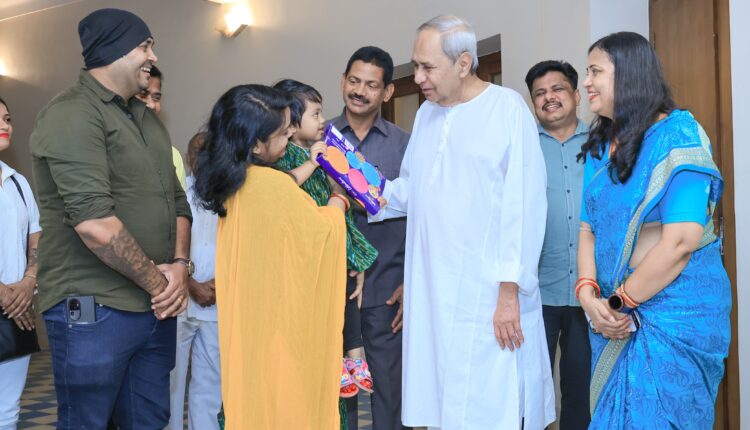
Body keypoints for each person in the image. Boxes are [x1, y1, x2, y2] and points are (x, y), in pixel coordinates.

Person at [371, 16, 555, 429]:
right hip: (433, 289)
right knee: (441, 398)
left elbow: (524, 205)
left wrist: (510, 290)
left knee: (489, 404)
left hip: (487, 293)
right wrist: (365, 189)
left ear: (463, 62)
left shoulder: (506, 109)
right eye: (415, 66)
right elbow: (412, 189)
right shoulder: (426, 117)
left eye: (427, 67)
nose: (417, 77)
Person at [29, 9, 192, 429]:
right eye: (144, 46)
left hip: (153, 309)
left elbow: (177, 201)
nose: (152, 57)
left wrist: (178, 267)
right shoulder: (71, 114)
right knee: (88, 422)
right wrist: (163, 287)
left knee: (149, 420)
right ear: (115, 51)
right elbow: (95, 225)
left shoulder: (144, 118)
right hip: (94, 308)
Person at [576, 31, 730, 429]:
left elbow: (681, 242)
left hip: (675, 313)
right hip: (611, 314)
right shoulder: (599, 145)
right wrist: (589, 295)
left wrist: (619, 303)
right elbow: (588, 227)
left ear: (629, 75)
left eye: (595, 71)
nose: (586, 82)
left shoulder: (678, 139)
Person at [192, 84, 349, 429]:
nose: (291, 132)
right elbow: (322, 236)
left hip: (251, 325)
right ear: (256, 144)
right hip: (279, 327)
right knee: (286, 406)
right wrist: (339, 199)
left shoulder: (234, 183)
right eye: (283, 131)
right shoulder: (270, 186)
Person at [271, 79, 377, 402]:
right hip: (301, 272)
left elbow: (341, 213)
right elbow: (285, 195)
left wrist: (353, 259)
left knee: (347, 301)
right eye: (316, 114)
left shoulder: (321, 155)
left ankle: (352, 359)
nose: (323, 121)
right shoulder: (282, 159)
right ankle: (343, 360)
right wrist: (314, 163)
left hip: (332, 256)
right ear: (289, 122)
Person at [328, 46, 410, 430]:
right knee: (331, 395)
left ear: (387, 92)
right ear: (343, 81)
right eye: (354, 81)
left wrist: (411, 280)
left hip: (387, 291)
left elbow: (424, 217)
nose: (359, 91)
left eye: (371, 85)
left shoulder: (405, 146)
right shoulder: (317, 139)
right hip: (328, 290)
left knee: (389, 398)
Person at [524, 60, 590, 429]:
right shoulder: (522, 147)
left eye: (558, 89)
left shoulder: (602, 144)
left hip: (588, 290)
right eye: (540, 93)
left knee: (580, 388)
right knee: (531, 389)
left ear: (576, 95)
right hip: (535, 292)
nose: (549, 98)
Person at [167, 132, 222, 430]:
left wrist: (221, 283)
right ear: (189, 159)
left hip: (216, 303)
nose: (205, 158)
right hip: (178, 301)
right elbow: (167, 245)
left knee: (210, 385)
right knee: (173, 384)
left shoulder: (229, 197)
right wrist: (190, 284)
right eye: (199, 152)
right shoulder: (178, 195)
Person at [0, 97, 41, 430]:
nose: (5, 125)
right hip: (9, 301)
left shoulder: (17, 182)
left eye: (8, 118)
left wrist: (28, 282)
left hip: (17, 307)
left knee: (8, 409)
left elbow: (36, 238)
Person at [135, 65, 187, 190]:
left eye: (156, 98)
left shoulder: (172, 155)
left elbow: (180, 207)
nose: (152, 105)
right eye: (143, 95)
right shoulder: (107, 147)